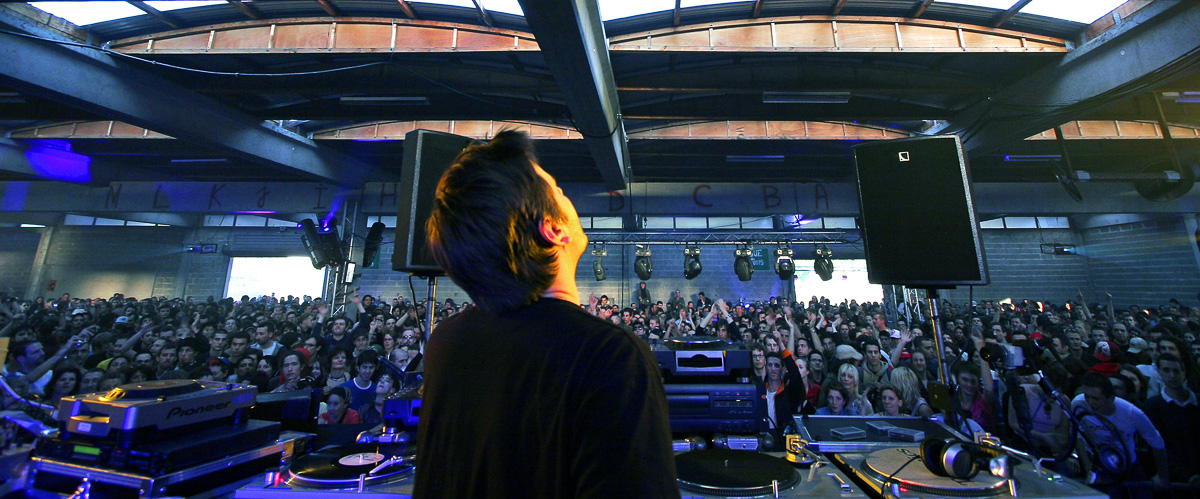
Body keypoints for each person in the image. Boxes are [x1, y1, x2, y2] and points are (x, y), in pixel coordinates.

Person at [416, 130, 677, 498]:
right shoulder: (608, 356)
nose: (566, 196)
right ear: (553, 229)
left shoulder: (446, 341)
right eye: (557, 191)